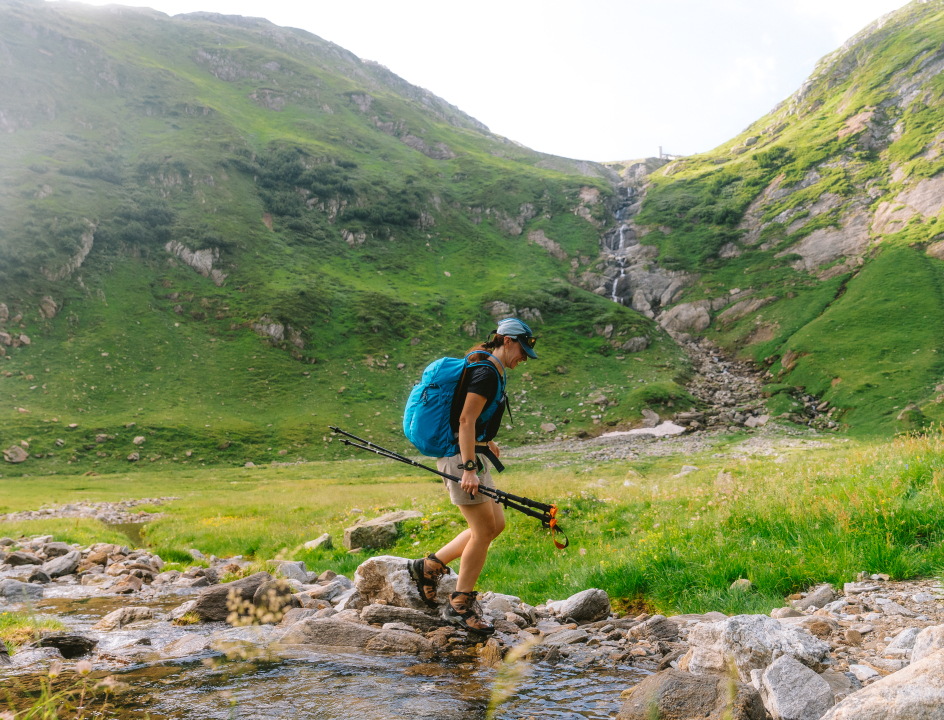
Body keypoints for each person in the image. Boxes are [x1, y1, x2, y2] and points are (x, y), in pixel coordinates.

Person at [408, 317, 538, 633]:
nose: (524, 357)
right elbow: (465, 421)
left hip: (472, 453)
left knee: (496, 524)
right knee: (482, 531)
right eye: (522, 349)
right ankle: (459, 604)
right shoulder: (486, 372)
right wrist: (468, 468)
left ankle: (429, 566)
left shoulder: (488, 368)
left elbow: (470, 419)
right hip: (459, 459)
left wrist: (485, 440)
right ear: (507, 341)